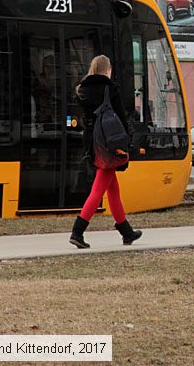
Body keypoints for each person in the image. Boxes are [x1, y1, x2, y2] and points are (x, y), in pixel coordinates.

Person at [69, 55, 142, 249]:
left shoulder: (82, 90)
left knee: (113, 189)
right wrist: (126, 142)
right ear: (106, 69)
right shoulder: (110, 88)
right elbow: (120, 117)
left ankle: (126, 232)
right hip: (109, 142)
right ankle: (77, 231)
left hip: (92, 141)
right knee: (98, 189)